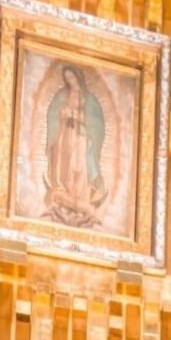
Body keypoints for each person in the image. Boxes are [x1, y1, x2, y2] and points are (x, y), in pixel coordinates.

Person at [44, 64, 107, 228]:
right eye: (67, 78)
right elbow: (52, 114)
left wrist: (80, 117)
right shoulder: (61, 95)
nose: (70, 81)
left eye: (72, 77)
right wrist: (61, 115)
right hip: (64, 135)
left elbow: (97, 125)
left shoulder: (89, 99)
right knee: (64, 163)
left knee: (80, 164)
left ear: (78, 77)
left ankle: (81, 197)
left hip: (82, 137)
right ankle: (62, 192)